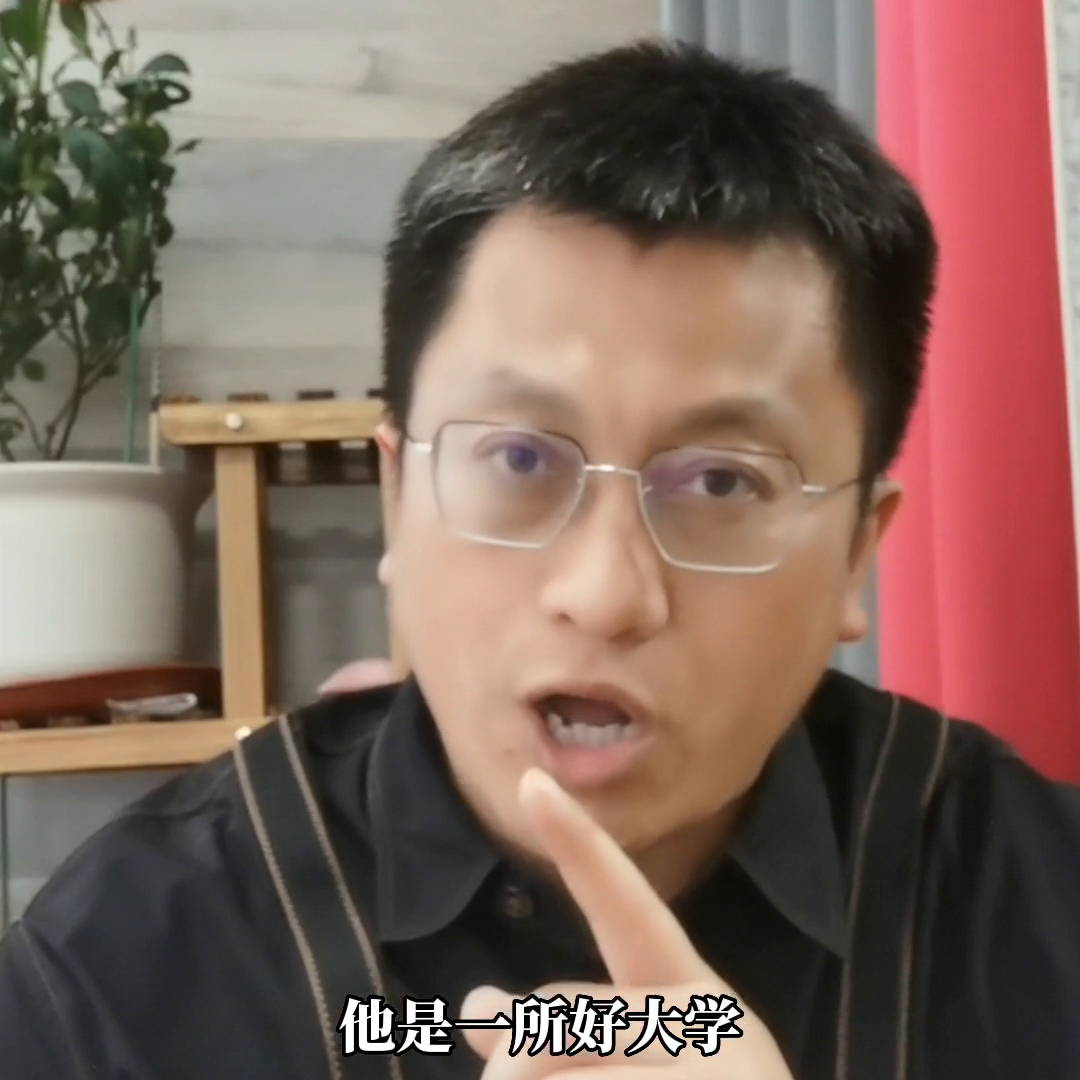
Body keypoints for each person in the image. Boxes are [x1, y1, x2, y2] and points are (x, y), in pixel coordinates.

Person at [2, 38, 1079, 1080]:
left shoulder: (1043, 919)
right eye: (519, 457)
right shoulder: (118, 982)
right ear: (396, 498)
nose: (604, 594)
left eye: (721, 483)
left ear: (855, 553)